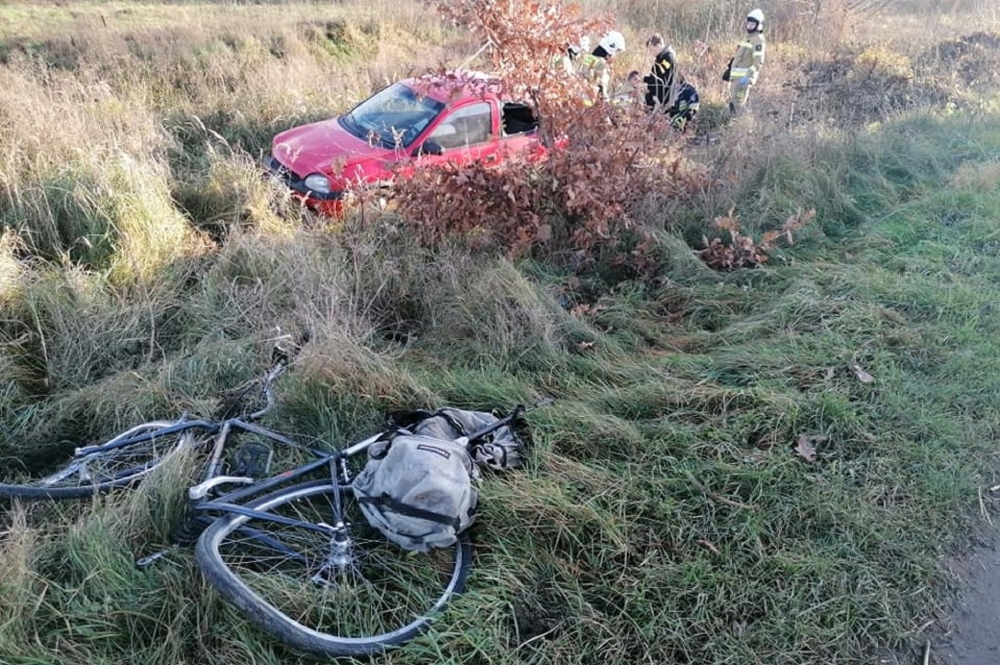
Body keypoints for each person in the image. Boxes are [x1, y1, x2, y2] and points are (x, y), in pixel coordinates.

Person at [723, 8, 766, 115]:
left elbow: (758, 62)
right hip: (736, 79)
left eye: (752, 24)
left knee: (738, 106)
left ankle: (741, 127)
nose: (749, 26)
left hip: (743, 80)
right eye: (748, 23)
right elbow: (739, 58)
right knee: (733, 104)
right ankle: (736, 126)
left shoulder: (758, 40)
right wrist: (730, 71)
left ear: (758, 25)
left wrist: (747, 76)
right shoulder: (747, 38)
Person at [577, 30, 626, 101]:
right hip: (589, 104)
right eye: (616, 51)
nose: (615, 55)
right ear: (611, 50)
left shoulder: (589, 58)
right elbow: (602, 91)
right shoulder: (601, 64)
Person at [642, 33, 678, 112]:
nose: (651, 53)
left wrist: (644, 79)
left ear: (658, 46)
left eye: (651, 49)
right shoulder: (660, 58)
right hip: (655, 96)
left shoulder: (667, 58)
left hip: (662, 99)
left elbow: (661, 80)